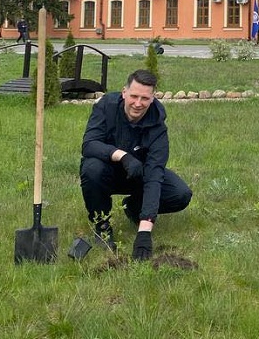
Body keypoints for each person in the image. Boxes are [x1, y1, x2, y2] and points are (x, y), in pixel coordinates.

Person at [80, 69, 193, 261]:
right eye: (134, 96)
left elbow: (154, 175)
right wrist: (123, 156)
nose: (138, 103)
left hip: (138, 175)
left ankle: (133, 208)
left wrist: (145, 231)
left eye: (145, 98)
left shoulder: (158, 126)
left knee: (180, 194)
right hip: (106, 172)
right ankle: (102, 226)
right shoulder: (106, 106)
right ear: (124, 92)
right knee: (92, 168)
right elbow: (89, 145)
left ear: (153, 98)